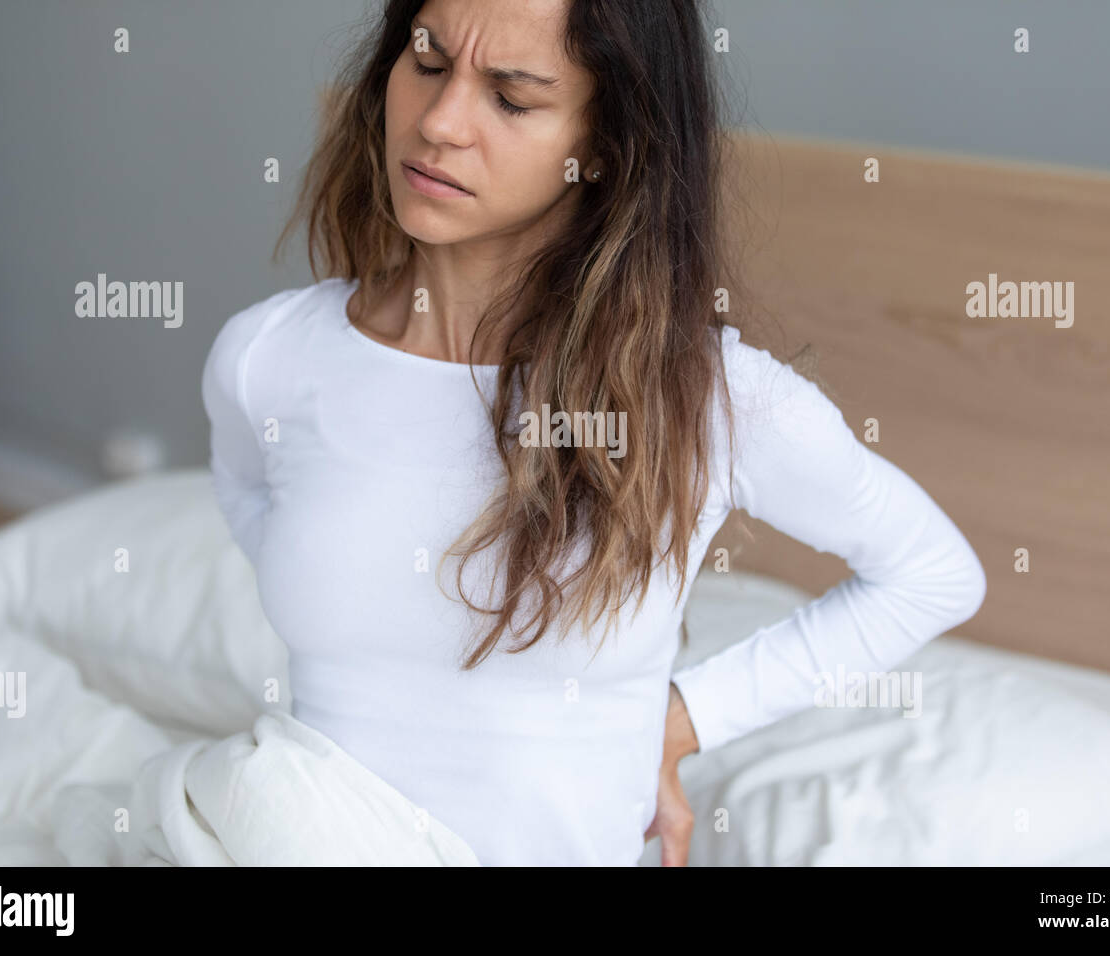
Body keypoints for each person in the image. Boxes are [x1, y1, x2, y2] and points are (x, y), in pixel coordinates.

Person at [201, 0, 986, 867]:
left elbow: (932, 574)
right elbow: (246, 487)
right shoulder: (267, 356)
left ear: (606, 144)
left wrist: (677, 722)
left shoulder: (709, 400)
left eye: (511, 98)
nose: (438, 122)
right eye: (426, 61)